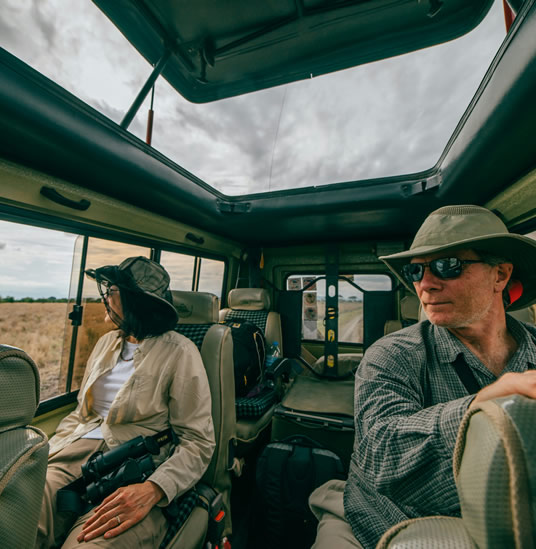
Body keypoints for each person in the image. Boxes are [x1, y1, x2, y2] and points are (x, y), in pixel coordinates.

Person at [310, 205, 536, 549]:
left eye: (448, 266)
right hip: (386, 525)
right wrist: (481, 409)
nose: (426, 284)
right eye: (416, 271)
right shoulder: (392, 354)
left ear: (501, 275)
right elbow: (381, 454)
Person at [36, 256, 215, 548]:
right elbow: (81, 413)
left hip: (139, 469)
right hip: (78, 453)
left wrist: (154, 488)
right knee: (18, 514)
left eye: (112, 291)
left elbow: (198, 442)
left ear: (135, 301)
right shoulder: (106, 343)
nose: (104, 297)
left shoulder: (180, 352)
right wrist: (46, 452)